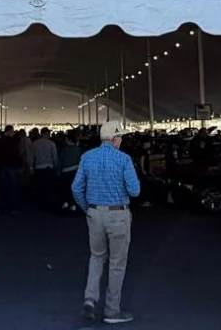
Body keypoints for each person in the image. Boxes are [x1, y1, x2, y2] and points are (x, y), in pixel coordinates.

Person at [72, 120, 141, 325]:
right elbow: (135, 191)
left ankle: (90, 299)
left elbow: (76, 188)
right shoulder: (124, 159)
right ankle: (112, 311)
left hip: (95, 213)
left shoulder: (87, 157)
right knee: (117, 263)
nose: (122, 141)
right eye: (121, 137)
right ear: (115, 139)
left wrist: (87, 208)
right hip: (118, 214)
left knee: (96, 257)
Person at [0, 125, 24, 214]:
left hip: (1, 165)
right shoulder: (15, 141)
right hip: (13, 166)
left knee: (1, 187)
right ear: (10, 131)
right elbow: (19, 153)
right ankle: (13, 207)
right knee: (13, 187)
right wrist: (20, 165)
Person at [33, 127, 60, 211]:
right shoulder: (51, 143)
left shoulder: (35, 143)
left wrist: (31, 166)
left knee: (40, 186)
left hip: (38, 167)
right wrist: (56, 167)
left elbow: (31, 156)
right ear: (46, 133)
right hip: (49, 167)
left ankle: (41, 203)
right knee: (49, 187)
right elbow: (55, 156)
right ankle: (48, 204)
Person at [59, 131, 83, 213]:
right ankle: (73, 205)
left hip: (65, 172)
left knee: (65, 188)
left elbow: (60, 161)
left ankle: (65, 203)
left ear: (67, 140)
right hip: (75, 172)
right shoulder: (78, 149)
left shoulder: (64, 150)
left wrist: (58, 171)